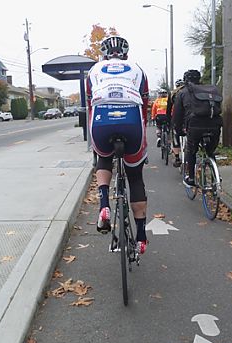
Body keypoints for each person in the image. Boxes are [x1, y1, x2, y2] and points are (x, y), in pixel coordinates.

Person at [86, 36, 150, 255]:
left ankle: (104, 203)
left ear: (104, 55)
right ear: (126, 54)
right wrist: (142, 141)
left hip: (102, 118)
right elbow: (145, 105)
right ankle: (141, 236)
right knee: (135, 176)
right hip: (132, 118)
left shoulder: (94, 70)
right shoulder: (137, 69)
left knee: (103, 157)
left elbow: (89, 104)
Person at [172, 69, 222, 186]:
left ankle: (191, 178)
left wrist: (178, 130)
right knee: (210, 151)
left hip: (195, 125)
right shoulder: (210, 91)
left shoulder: (183, 92)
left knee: (191, 150)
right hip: (215, 124)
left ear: (185, 80)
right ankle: (216, 176)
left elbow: (177, 115)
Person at [166, 79, 185, 167]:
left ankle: (177, 158)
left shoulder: (173, 93)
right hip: (190, 118)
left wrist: (168, 122)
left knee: (175, 135)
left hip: (178, 118)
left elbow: (169, 109)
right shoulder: (190, 92)